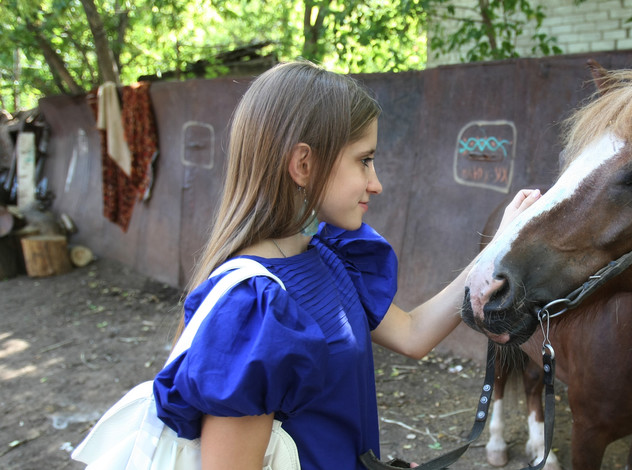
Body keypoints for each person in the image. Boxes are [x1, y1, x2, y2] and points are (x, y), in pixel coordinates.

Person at [152, 60, 541, 470]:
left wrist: (495, 251)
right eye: (364, 160)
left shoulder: (326, 254)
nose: (376, 183)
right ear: (304, 164)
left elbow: (412, 334)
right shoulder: (251, 310)